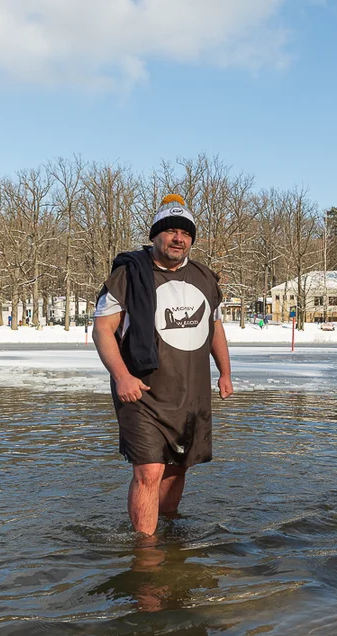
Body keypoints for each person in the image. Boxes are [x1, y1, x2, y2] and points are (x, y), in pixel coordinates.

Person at [93, 194, 234, 536]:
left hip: (190, 395)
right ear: (155, 235)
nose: (178, 238)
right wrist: (122, 375)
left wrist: (225, 372)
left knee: (177, 469)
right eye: (170, 231)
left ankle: (166, 531)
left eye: (185, 233)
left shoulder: (204, 278)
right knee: (150, 472)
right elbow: (102, 330)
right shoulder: (129, 275)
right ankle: (145, 553)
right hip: (142, 392)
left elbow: (214, 327)